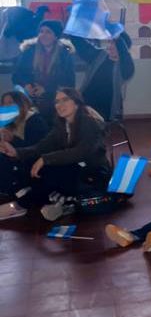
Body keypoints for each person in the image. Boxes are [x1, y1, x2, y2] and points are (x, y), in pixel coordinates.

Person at [0, 88, 110, 221]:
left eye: (65, 100)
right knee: (44, 167)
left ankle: (22, 204)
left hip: (93, 173)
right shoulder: (62, 125)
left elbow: (80, 153)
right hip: (76, 169)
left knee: (53, 169)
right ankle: (54, 202)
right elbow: (41, 146)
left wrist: (45, 159)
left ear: (77, 103)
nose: (60, 104)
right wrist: (16, 152)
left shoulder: (89, 123)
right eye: (57, 101)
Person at [12, 20, 76, 123]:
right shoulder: (29, 51)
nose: (43, 35)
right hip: (30, 93)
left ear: (56, 36)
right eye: (41, 31)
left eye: (48, 32)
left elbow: (69, 81)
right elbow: (17, 75)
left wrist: (47, 89)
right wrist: (26, 85)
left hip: (53, 94)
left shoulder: (64, 54)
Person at [70, 32, 134, 121]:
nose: (110, 46)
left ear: (122, 47)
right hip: (86, 100)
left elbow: (125, 61)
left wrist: (119, 39)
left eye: (114, 44)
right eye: (110, 42)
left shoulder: (126, 66)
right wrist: (74, 27)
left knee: (92, 126)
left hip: (106, 106)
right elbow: (81, 45)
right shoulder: (100, 55)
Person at [0, 91, 49, 196]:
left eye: (10, 102)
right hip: (15, 158)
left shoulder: (35, 121)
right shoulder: (10, 121)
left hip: (33, 163)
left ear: (22, 103)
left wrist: (12, 140)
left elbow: (36, 149)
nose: (6, 106)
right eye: (4, 103)